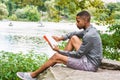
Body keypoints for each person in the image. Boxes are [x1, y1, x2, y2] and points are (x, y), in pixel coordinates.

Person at [17, 11, 102, 80]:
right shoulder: (90, 30)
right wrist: (60, 38)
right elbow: (74, 33)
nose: (76, 23)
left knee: (56, 56)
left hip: (89, 65)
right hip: (88, 59)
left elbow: (78, 54)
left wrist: (58, 51)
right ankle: (62, 58)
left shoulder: (89, 35)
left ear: (86, 20)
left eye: (78, 21)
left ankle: (32, 76)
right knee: (73, 37)